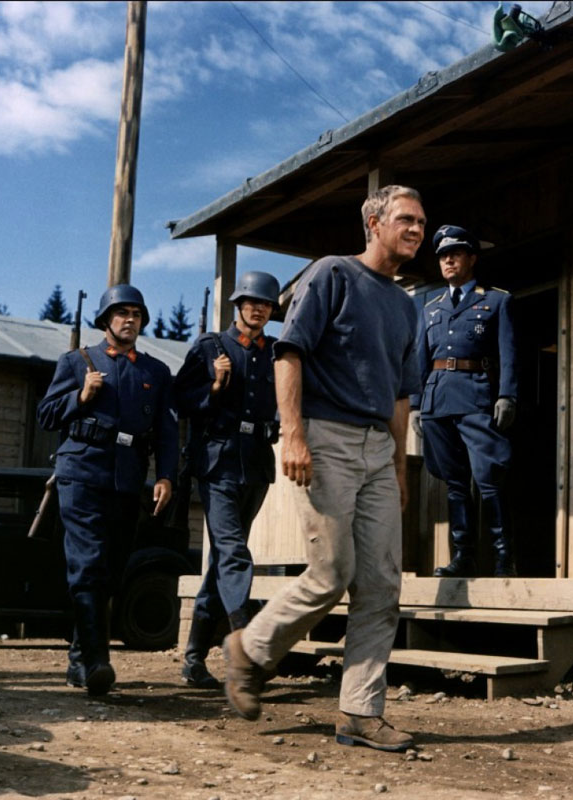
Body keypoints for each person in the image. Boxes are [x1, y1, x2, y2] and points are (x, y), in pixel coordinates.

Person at [222, 185, 425, 752]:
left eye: (421, 222)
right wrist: (293, 435)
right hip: (326, 437)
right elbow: (290, 353)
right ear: (373, 221)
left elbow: (402, 397)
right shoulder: (332, 274)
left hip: (377, 449)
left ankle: (360, 713)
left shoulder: (407, 306)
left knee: (383, 583)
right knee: (331, 571)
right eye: (405, 219)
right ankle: (250, 648)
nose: (415, 230)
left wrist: (401, 468)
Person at [37, 284, 178, 696]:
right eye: (121, 313)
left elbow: (167, 433)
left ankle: (81, 662)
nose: (129, 319)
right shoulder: (77, 361)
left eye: (136, 313)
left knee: (114, 568)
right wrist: (80, 397)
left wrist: (166, 476)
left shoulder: (155, 372)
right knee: (88, 563)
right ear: (105, 320)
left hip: (127, 477)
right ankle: (98, 660)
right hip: (81, 472)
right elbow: (46, 414)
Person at [174, 271, 280, 689]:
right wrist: (214, 387)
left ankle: (194, 659)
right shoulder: (210, 347)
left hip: (256, 463)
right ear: (237, 306)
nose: (257, 308)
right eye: (251, 302)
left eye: (266, 304)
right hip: (217, 462)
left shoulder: (276, 351)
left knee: (222, 561)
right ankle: (248, 644)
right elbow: (179, 399)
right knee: (234, 552)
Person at [411, 225, 518, 578]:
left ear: (472, 258)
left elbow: (508, 352)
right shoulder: (430, 307)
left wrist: (507, 394)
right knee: (454, 482)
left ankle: (504, 557)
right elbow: (419, 357)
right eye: (443, 255)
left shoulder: (496, 300)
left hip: (476, 396)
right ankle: (464, 557)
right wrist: (415, 403)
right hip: (437, 400)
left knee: (488, 478)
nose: (448, 260)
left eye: (455, 253)